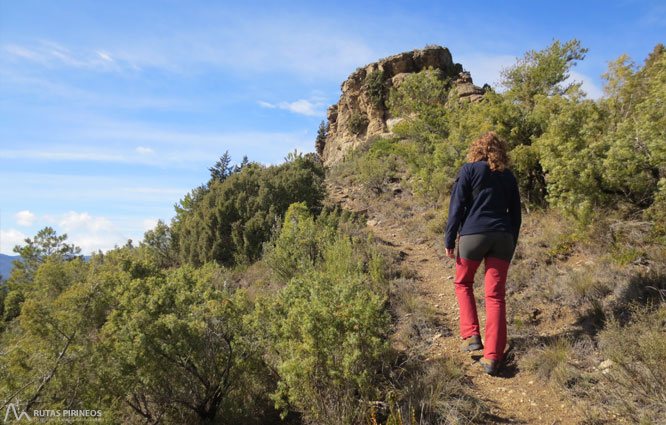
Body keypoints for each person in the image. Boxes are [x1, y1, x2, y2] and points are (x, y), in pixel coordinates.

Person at [444, 131, 521, 375]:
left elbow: (456, 207)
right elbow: (516, 216)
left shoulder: (469, 170)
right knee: (495, 297)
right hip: (503, 238)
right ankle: (492, 357)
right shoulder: (508, 177)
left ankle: (471, 336)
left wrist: (449, 239)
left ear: (477, 149)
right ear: (501, 152)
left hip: (473, 236)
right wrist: (511, 244)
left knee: (463, 282)